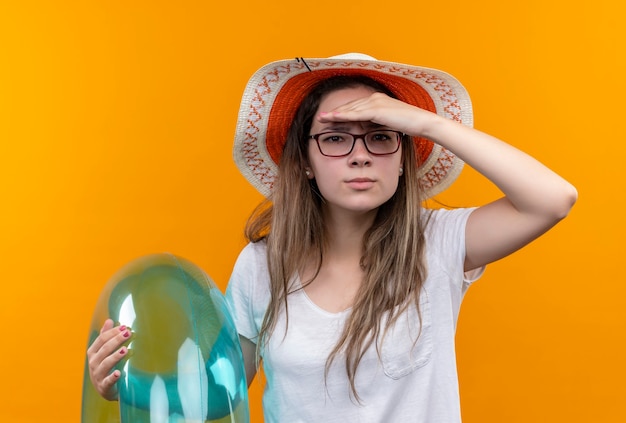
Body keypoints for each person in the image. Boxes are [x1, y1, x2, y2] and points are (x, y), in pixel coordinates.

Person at [87, 53, 577, 422]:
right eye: (336, 137)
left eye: (381, 135)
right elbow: (220, 392)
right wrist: (121, 385)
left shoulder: (439, 243)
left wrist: (424, 122)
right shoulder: (261, 266)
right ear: (304, 160)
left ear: (403, 158)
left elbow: (553, 198)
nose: (360, 155)